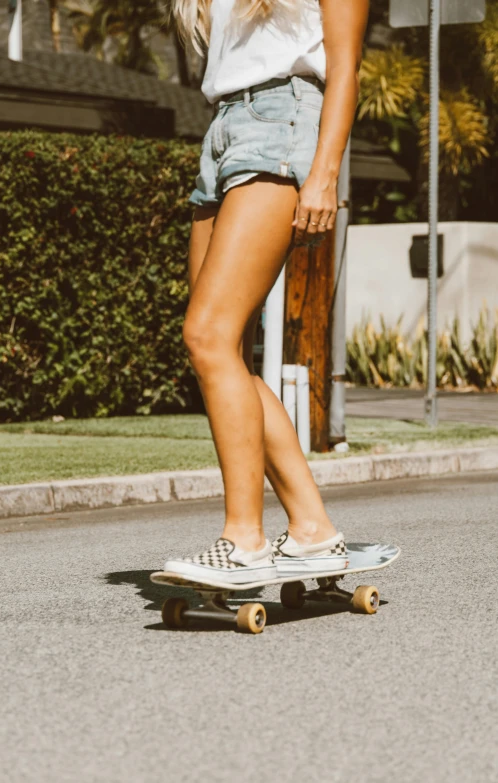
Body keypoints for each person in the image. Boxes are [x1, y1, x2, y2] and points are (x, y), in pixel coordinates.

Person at [163, 0, 369, 584]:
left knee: (207, 334)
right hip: (223, 129)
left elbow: (345, 67)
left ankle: (243, 540)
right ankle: (312, 529)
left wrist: (325, 175)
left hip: (283, 120)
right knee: (223, 352)